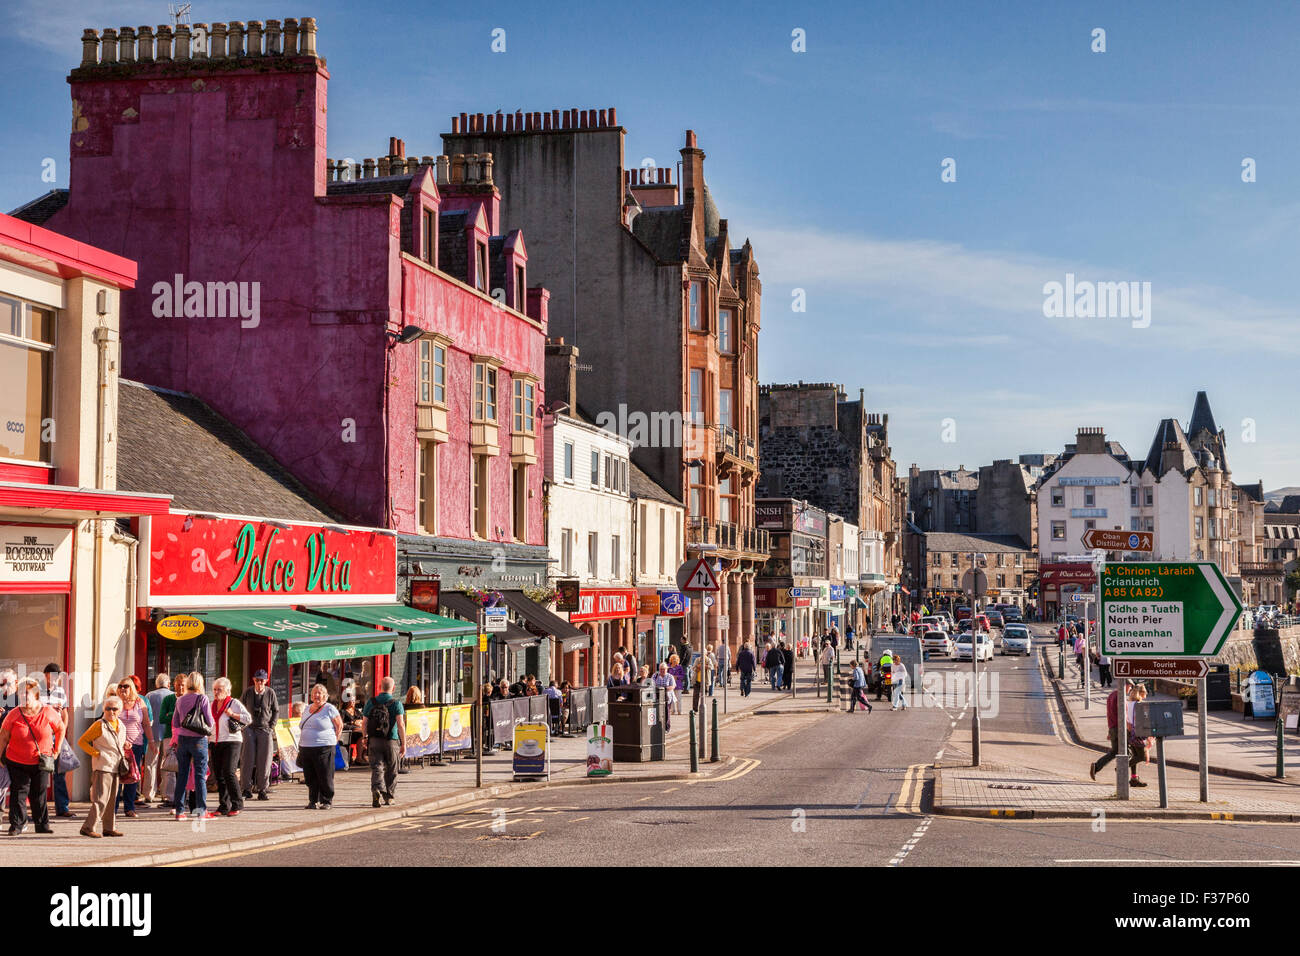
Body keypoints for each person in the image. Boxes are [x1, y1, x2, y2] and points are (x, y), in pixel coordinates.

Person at [0, 676, 64, 834]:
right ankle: (16, 825)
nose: (23, 696)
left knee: (39, 793)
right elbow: (3, 736)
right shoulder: (13, 714)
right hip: (17, 760)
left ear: (35, 694)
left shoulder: (47, 712)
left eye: (26, 693)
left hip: (41, 760)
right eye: (21, 693)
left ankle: (42, 825)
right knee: (19, 792)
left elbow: (60, 728)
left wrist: (57, 749)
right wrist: (0, 756)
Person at [76, 695, 126, 838]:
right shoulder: (99, 725)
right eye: (108, 708)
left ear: (120, 710)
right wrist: (96, 753)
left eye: (114, 709)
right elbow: (82, 741)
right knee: (100, 799)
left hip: (116, 766)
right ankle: (88, 827)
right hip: (103, 766)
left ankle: (109, 827)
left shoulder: (120, 725)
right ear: (104, 709)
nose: (111, 712)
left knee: (112, 799)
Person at [171, 671, 216, 821]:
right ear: (200, 684)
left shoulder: (180, 700)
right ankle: (201, 811)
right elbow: (209, 721)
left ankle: (179, 811)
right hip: (199, 740)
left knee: (182, 775)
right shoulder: (202, 698)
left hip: (183, 740)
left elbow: (176, 723)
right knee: (200, 776)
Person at [1090, 684, 1148, 786]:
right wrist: (1127, 725)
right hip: (1122, 729)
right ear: (1126, 685)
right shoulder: (1120, 697)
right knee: (1133, 754)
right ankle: (1120, 768)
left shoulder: (1112, 695)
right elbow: (1122, 715)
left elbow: (1110, 713)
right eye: (1129, 687)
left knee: (1121, 752)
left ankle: (1133, 778)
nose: (1130, 689)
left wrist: (1110, 730)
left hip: (1115, 728)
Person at [210, 677, 251, 816]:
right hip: (215, 742)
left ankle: (237, 803)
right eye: (214, 690)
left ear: (227, 690)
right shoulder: (212, 704)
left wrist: (233, 714)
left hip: (232, 741)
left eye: (219, 689)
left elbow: (248, 719)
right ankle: (224, 806)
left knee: (229, 771)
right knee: (219, 775)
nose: (216, 692)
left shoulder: (234, 703)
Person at [39, 663, 75, 821]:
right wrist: (49, 707)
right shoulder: (36, 691)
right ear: (45, 675)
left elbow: (65, 714)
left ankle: (62, 808)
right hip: (41, 735)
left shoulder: (60, 692)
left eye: (56, 676)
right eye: (50, 675)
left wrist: (63, 731)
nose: (53, 678)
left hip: (56, 735)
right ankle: (40, 810)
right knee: (41, 773)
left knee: (60, 772)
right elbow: (32, 710)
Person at [298, 683, 343, 810]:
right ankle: (313, 800)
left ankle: (326, 800)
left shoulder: (329, 708)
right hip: (306, 747)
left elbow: (339, 726)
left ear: (325, 695)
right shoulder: (307, 708)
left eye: (319, 693)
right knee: (310, 775)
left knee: (325, 774)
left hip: (324, 746)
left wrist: (334, 741)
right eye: (314, 693)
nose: (316, 695)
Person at [363, 676, 406, 808]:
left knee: (377, 767)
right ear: (393, 688)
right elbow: (400, 724)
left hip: (374, 739)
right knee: (392, 769)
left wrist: (365, 738)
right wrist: (404, 743)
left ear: (379, 687)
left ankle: (376, 789)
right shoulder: (396, 704)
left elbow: (364, 723)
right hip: (391, 740)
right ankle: (389, 796)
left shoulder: (371, 702)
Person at [240, 669, 279, 802]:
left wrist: (271, 726)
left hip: (264, 728)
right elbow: (240, 707)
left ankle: (262, 789)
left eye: (262, 680)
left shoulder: (270, 693)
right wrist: (243, 726)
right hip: (249, 728)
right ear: (253, 680)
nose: (259, 683)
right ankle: (246, 789)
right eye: (257, 680)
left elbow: (275, 710)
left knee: (265, 760)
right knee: (247, 759)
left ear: (266, 681)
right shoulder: (248, 692)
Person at [140, 673, 170, 804]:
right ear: (168, 684)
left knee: (150, 764)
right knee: (167, 764)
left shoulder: (149, 696)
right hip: (168, 734)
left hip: (153, 733)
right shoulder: (172, 695)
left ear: (157, 684)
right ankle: (166, 793)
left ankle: (149, 793)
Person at [157, 673, 186, 808]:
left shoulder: (188, 699)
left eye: (183, 685)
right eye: (178, 685)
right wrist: (177, 717)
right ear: (173, 685)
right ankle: (169, 797)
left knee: (184, 768)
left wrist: (173, 715)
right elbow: (162, 718)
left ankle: (182, 797)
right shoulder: (168, 699)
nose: (180, 687)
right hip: (169, 736)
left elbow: (188, 719)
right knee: (169, 767)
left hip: (186, 737)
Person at [651, 663, 676, 731]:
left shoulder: (670, 676)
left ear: (666, 669)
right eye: (661, 669)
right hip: (657, 696)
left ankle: (667, 727)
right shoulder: (655, 675)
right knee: (657, 712)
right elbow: (651, 684)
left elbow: (673, 686)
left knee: (666, 712)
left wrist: (664, 689)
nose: (662, 671)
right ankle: (657, 727)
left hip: (667, 696)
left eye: (664, 669)